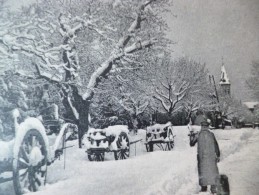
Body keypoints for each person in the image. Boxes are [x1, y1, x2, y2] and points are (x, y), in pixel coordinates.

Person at [189, 117, 220, 194]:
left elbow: (191, 143)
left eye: (205, 126)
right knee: (212, 172)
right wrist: (218, 155)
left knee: (203, 172)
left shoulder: (199, 135)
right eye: (204, 126)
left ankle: (205, 187)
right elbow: (216, 145)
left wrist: (191, 136)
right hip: (209, 158)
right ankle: (212, 188)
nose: (205, 128)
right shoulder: (210, 134)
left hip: (203, 157)